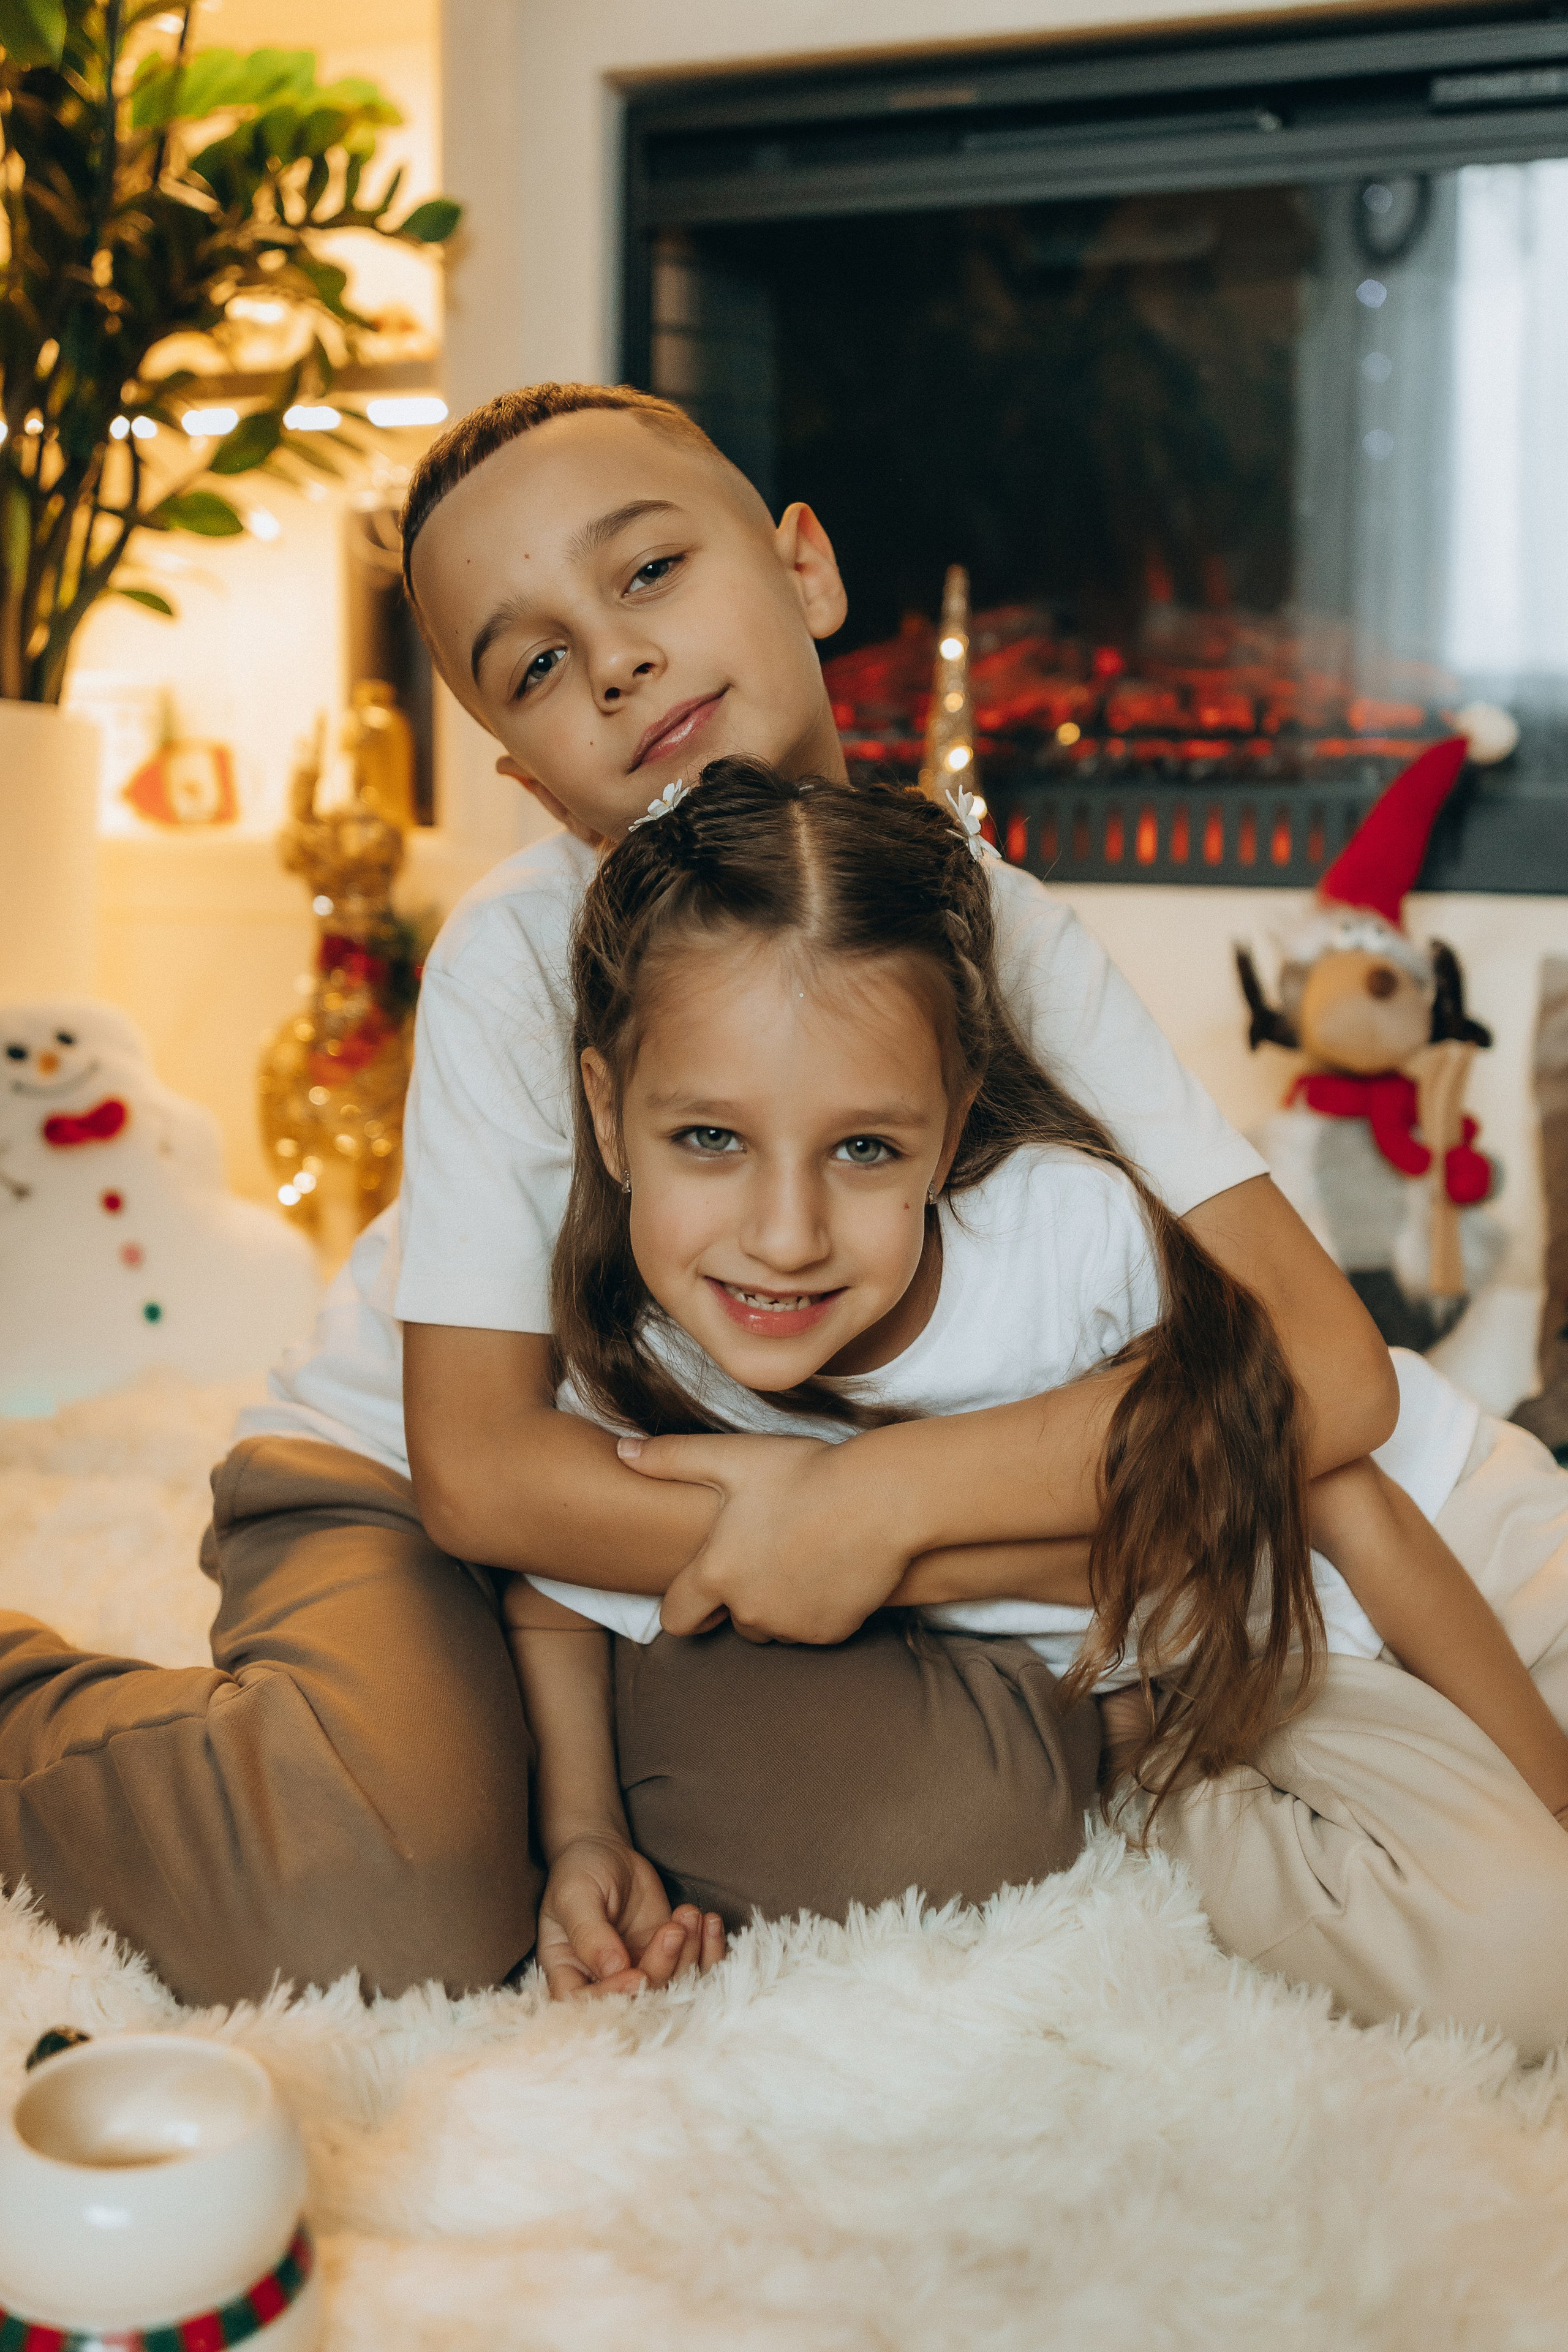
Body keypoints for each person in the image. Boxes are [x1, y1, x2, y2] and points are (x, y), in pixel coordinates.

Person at [0, 385, 1396, 2009]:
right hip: (404, 1492)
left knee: (977, 1812)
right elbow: (483, 1474)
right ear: (529, 779)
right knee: (386, 1894)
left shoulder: (1000, 931)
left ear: (806, 568)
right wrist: (873, 1527)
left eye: (649, 572)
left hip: (689, 1549)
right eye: (534, 665)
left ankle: (528, 1746)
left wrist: (882, 1508)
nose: (612, 661)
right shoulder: (519, 953)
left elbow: (1329, 1371)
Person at [513, 756, 1568, 2052]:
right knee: (1527, 1952)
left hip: (1415, 1548)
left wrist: (1547, 1789)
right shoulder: (644, 1357)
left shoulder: (1066, 1241)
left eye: (864, 1149)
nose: (784, 1236)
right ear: (608, 1114)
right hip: (1225, 1687)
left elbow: (1345, 1500)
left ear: (951, 1127)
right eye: (711, 1140)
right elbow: (558, 1590)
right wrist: (583, 1833)